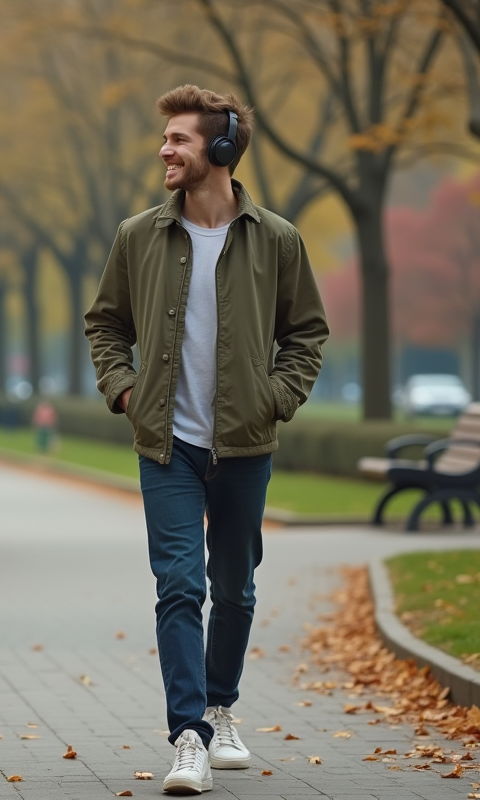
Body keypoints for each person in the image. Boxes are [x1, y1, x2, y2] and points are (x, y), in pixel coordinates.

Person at [85, 85, 328, 795]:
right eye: (164, 138)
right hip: (168, 445)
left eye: (179, 139)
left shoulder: (277, 239)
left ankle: (222, 707)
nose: (164, 149)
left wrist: (277, 398)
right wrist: (124, 390)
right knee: (180, 586)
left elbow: (306, 333)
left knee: (236, 590)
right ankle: (188, 735)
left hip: (245, 444)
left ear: (220, 150)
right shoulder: (139, 235)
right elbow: (105, 324)